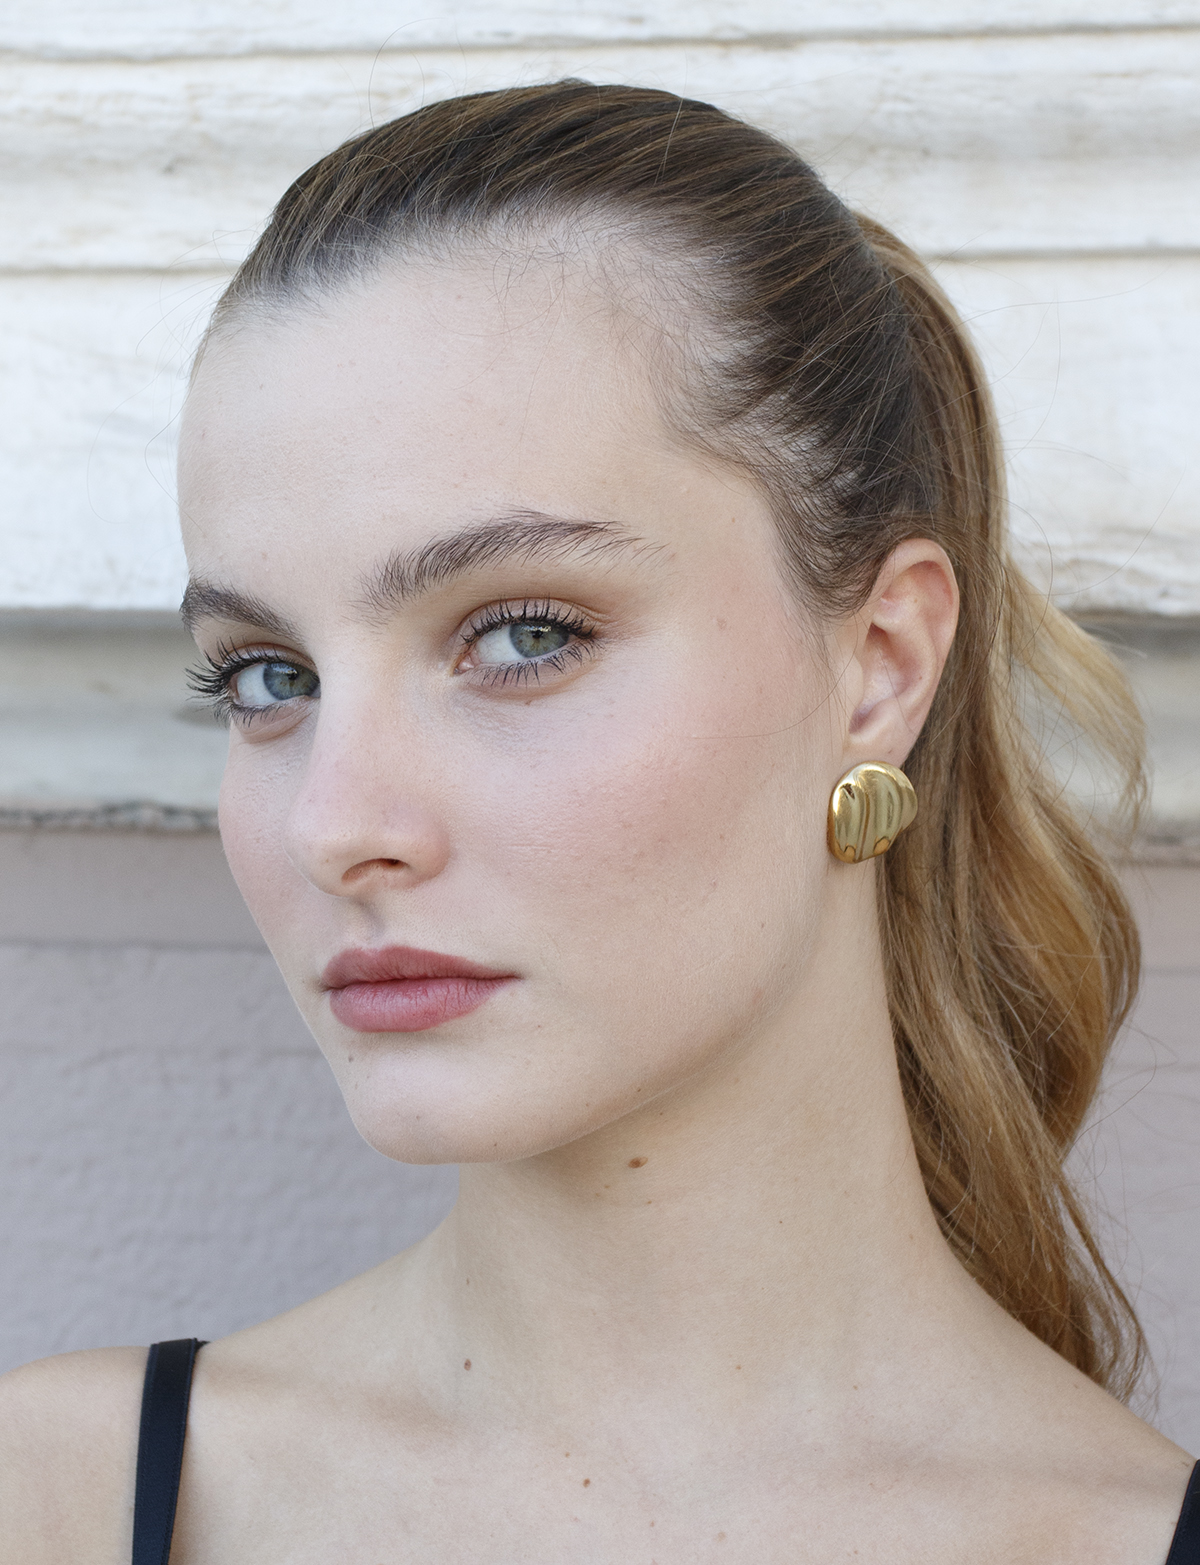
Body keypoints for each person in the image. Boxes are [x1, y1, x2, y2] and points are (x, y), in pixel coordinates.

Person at [2, 80, 1196, 1563]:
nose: (335, 824)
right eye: (269, 676)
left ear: (881, 665)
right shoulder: (52, 1503)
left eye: (523, 637)